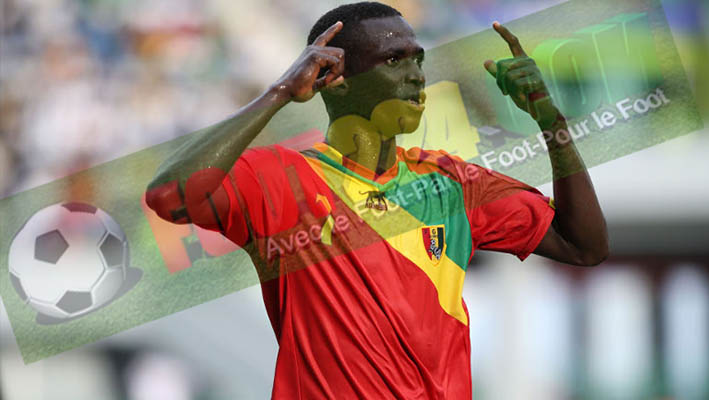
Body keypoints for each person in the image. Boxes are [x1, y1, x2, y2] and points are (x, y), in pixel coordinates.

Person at [146, 2, 608, 398]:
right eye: (393, 60)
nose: (416, 76)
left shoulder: (452, 183)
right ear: (334, 79)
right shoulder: (279, 180)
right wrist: (281, 91)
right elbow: (169, 196)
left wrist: (551, 121)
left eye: (418, 59)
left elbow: (583, 246)